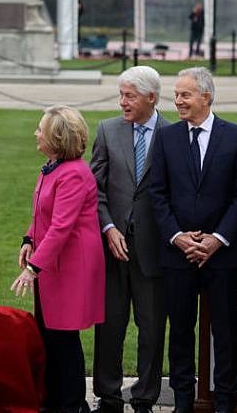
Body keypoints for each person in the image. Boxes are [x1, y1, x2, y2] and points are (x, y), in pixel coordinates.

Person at [147, 67, 237, 413]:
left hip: (222, 256)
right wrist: (178, 237)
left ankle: (225, 402)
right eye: (176, 94)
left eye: (185, 94)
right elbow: (157, 193)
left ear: (206, 97)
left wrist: (216, 239)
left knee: (224, 333)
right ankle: (182, 402)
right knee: (180, 330)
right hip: (178, 254)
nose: (177, 100)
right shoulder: (166, 137)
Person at [11, 105, 105, 413]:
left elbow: (62, 226)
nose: (36, 133)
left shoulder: (74, 174)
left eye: (41, 129)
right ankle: (54, 401)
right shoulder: (52, 167)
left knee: (63, 338)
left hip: (70, 266)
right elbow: (43, 216)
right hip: (53, 263)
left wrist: (33, 268)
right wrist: (28, 240)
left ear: (57, 137)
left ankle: (73, 404)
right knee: (49, 336)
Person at [89, 66, 169, 413]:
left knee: (152, 329)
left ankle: (145, 399)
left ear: (151, 97)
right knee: (109, 325)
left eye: (129, 96)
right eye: (121, 95)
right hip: (112, 248)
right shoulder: (107, 130)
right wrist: (108, 228)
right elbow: (94, 189)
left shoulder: (173, 133)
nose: (122, 102)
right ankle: (108, 397)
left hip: (155, 250)